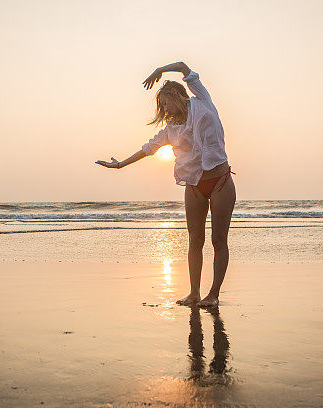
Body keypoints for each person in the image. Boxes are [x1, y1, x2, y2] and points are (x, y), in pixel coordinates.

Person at [96, 61, 235, 308]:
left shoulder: (202, 100)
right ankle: (194, 293)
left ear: (178, 96)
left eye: (165, 104)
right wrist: (120, 166)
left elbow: (183, 66)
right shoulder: (171, 129)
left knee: (218, 240)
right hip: (194, 185)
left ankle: (213, 295)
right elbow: (148, 149)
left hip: (220, 180)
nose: (164, 110)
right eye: (161, 107)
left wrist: (159, 71)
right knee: (194, 240)